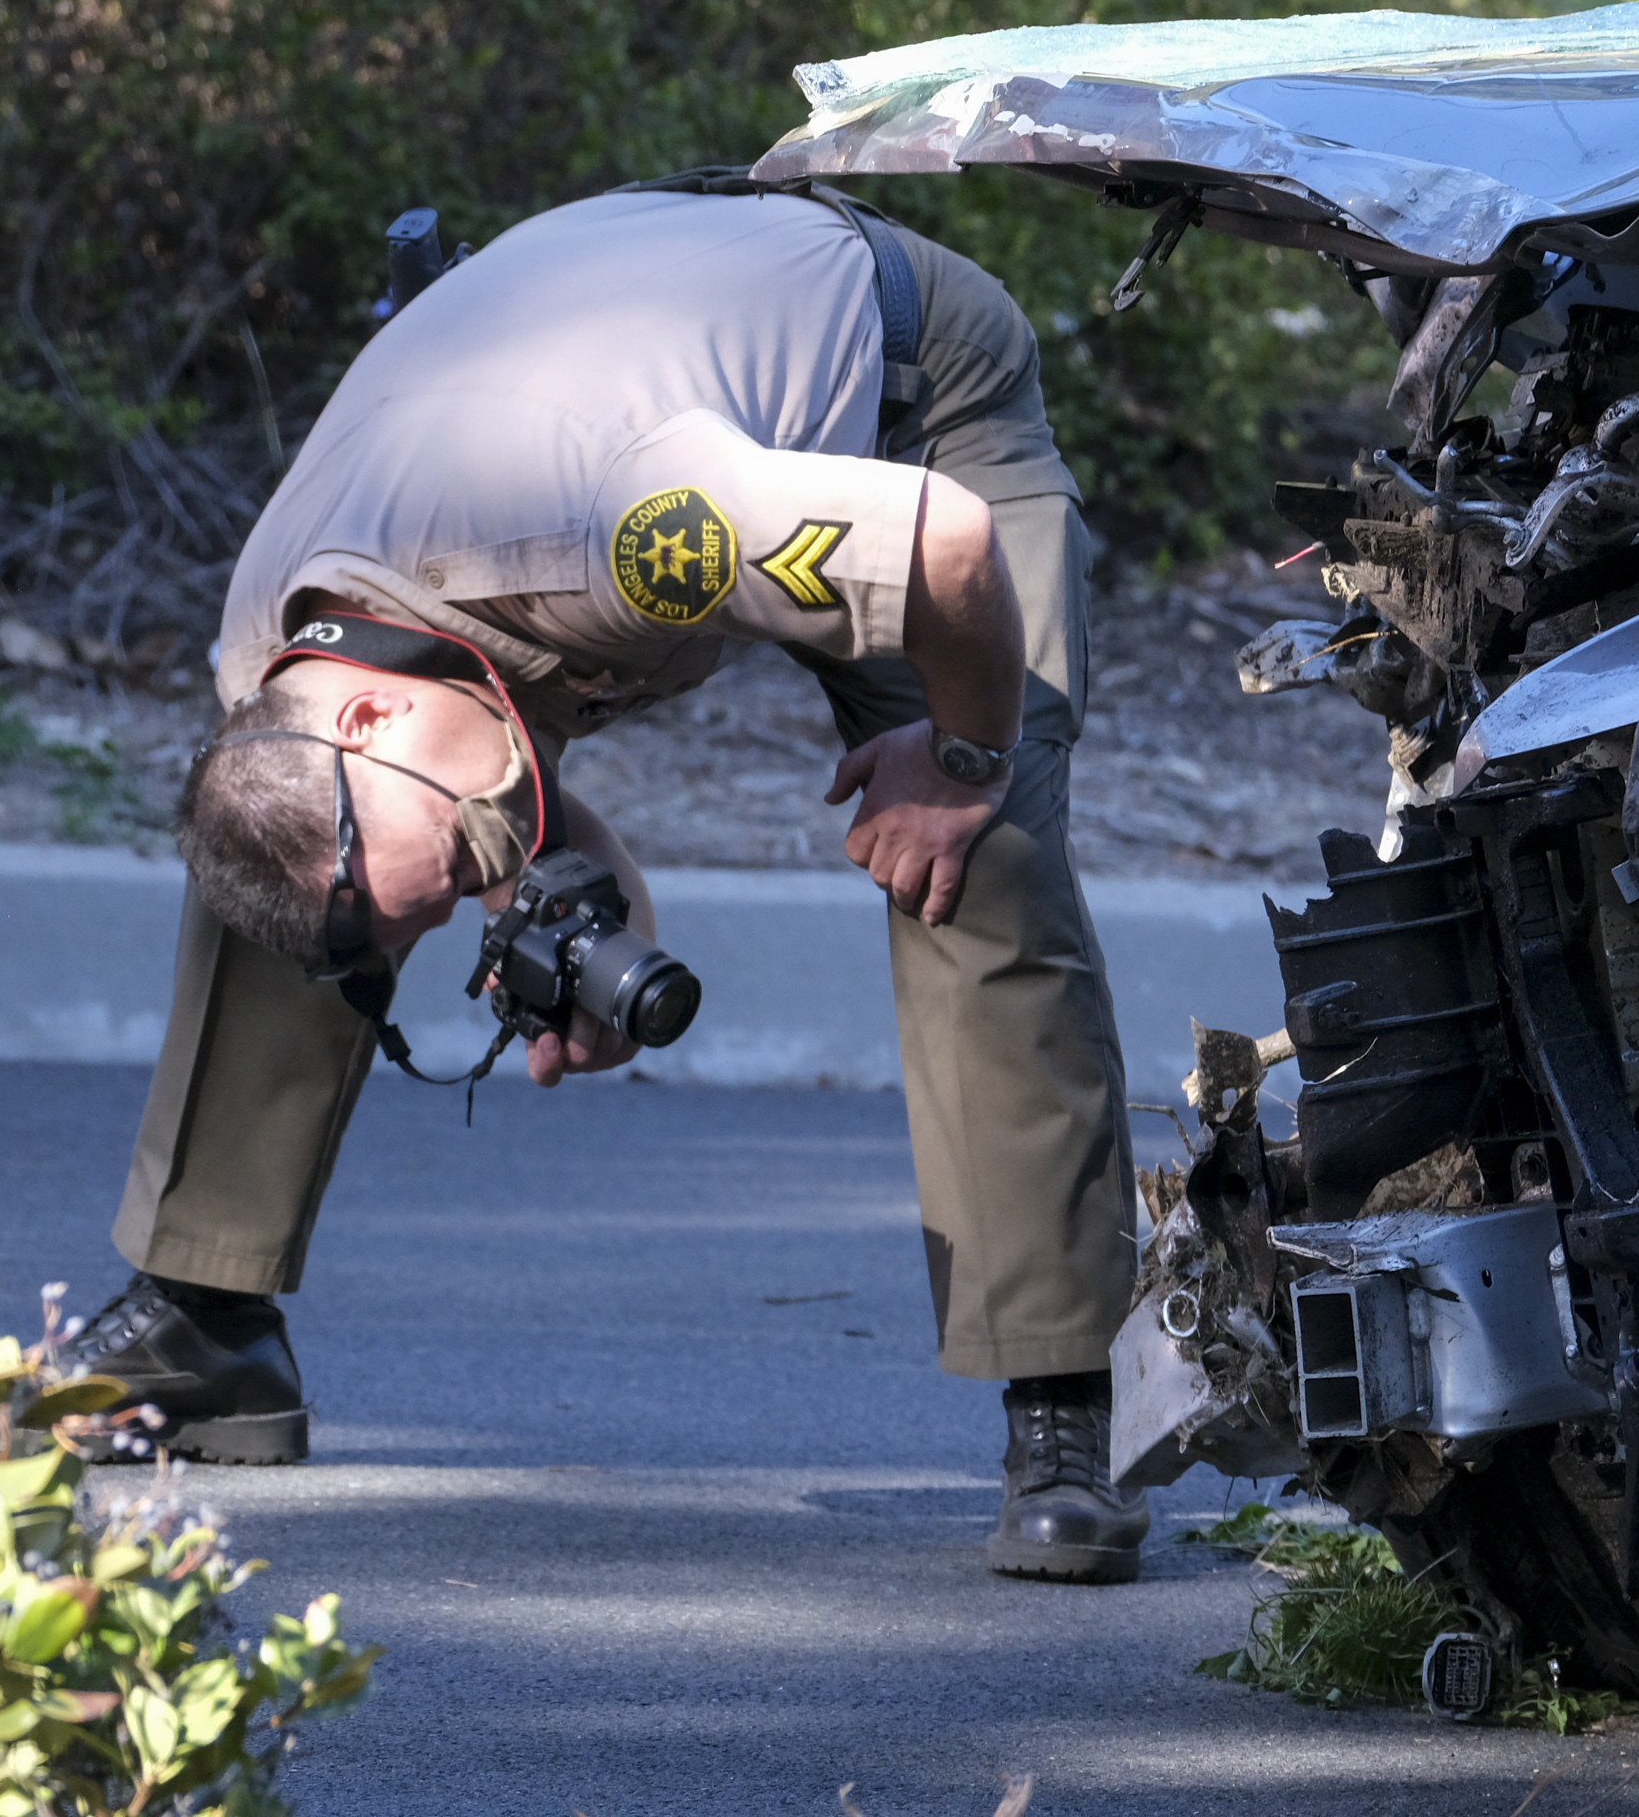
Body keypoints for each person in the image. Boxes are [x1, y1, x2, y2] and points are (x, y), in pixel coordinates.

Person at [62, 181, 1153, 1585]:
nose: (475, 896)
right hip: (590, 383)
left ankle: (1063, 1398)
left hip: (902, 392)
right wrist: (583, 888)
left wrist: (960, 752)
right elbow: (428, 778)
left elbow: (943, 545)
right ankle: (201, 1317)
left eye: (464, 873)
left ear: (376, 719)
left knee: (973, 857)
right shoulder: (275, 678)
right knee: (279, 857)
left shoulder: (648, 526)